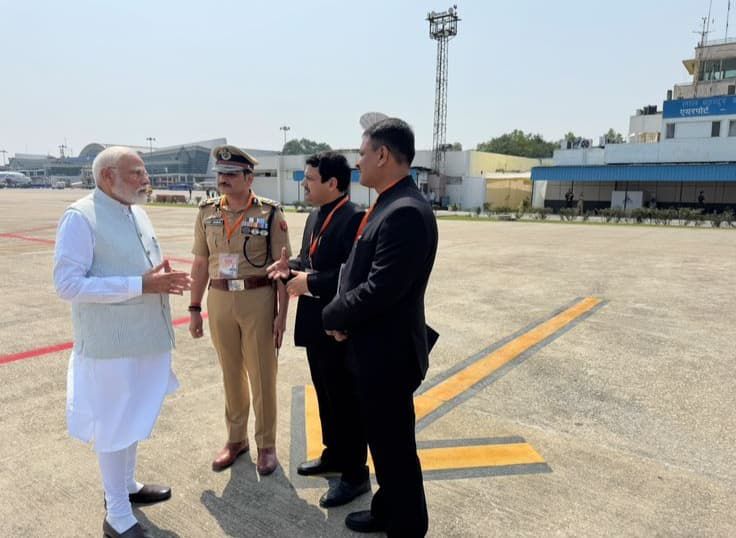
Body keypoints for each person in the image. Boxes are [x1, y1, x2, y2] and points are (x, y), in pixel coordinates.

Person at [53, 146, 191, 538]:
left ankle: (127, 486)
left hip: (145, 337)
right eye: (136, 172)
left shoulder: (136, 212)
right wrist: (141, 284)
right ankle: (116, 514)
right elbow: (67, 285)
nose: (146, 179)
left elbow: (137, 270)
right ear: (107, 177)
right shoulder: (80, 217)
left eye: (144, 172)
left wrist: (157, 278)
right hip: (110, 346)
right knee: (114, 423)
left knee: (133, 416)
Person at [322, 118, 438, 536]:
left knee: (395, 448)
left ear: (383, 155)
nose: (358, 162)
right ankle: (387, 509)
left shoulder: (405, 211)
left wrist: (333, 315)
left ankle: (407, 526)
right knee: (384, 444)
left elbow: (380, 289)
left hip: (388, 355)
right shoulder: (389, 203)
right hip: (373, 347)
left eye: (362, 153)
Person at [266, 152, 369, 508]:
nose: (304, 185)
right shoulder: (315, 215)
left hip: (340, 326)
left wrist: (308, 282)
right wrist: (289, 266)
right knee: (325, 394)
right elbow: (311, 261)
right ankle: (334, 454)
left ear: (332, 183)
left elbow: (351, 274)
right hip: (315, 323)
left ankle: (355, 473)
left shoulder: (355, 218)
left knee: (346, 401)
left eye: (310, 179)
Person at [189, 145, 291, 475]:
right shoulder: (206, 212)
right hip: (219, 299)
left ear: (249, 178)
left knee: (262, 374)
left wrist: (281, 316)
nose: (224, 179)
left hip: (257, 298)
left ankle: (266, 444)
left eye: (232, 174)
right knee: (230, 373)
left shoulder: (270, 213)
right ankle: (236, 439)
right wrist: (194, 307)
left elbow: (282, 269)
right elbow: (200, 264)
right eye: (221, 174)